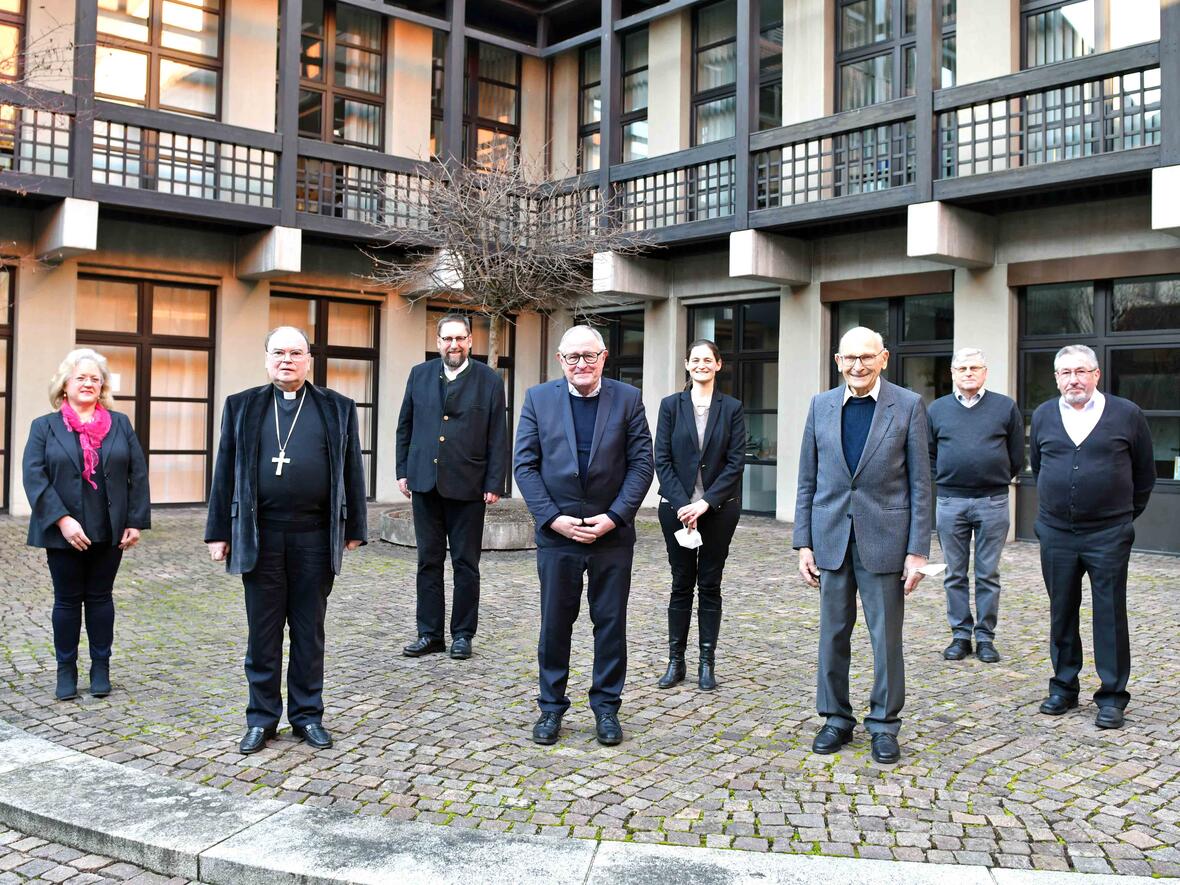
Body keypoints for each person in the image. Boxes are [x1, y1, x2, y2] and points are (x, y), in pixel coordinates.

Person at [205, 326, 368, 755]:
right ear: (266, 358)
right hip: (261, 536)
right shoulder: (241, 407)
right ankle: (261, 719)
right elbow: (225, 471)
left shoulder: (337, 408)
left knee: (309, 631)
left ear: (309, 359)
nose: (287, 360)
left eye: (296, 353)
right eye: (278, 352)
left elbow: (353, 470)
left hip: (314, 537)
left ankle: (307, 716)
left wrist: (355, 528)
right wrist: (218, 530)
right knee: (263, 632)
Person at [794, 326, 931, 765]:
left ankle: (885, 725)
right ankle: (835, 719)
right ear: (838, 361)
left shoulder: (907, 406)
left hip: (886, 541)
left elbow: (921, 486)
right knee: (832, 635)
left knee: (884, 638)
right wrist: (804, 543)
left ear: (883, 358)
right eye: (850, 358)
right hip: (831, 537)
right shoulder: (821, 406)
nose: (858, 365)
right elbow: (808, 481)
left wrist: (917, 550)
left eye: (866, 357)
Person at [513, 325, 653, 746]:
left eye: (589, 356)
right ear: (560, 361)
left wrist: (615, 516)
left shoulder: (627, 399)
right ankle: (551, 708)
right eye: (573, 357)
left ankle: (607, 709)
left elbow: (641, 464)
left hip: (611, 536)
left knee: (609, 624)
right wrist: (552, 518)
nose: (582, 365)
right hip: (558, 535)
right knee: (555, 624)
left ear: (604, 357)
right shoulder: (538, 399)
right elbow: (525, 465)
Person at [1030, 344, 1154, 730]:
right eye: (1066, 373)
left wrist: (1119, 517)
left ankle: (1112, 696)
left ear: (1096, 375)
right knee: (1061, 611)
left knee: (1110, 613)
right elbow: (1039, 466)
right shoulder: (1045, 414)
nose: (1074, 379)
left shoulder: (1127, 414)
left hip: (1108, 533)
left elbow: (1145, 475)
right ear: (1057, 379)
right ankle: (1064, 687)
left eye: (1082, 371)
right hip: (1056, 533)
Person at [23, 348, 150, 702]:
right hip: (63, 530)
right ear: (65, 384)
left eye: (95, 378)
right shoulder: (44, 427)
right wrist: (62, 520)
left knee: (100, 598)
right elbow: (34, 477)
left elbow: (137, 473)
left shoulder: (120, 423)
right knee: (66, 601)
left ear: (103, 386)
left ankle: (100, 667)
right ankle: (66, 670)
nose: (88, 383)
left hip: (109, 528)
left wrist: (135, 521)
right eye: (81, 377)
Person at [395, 314, 508, 660]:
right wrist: (403, 471)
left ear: (470, 341)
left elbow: (498, 435)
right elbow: (406, 425)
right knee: (427, 561)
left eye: (460, 338)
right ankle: (429, 634)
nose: (453, 345)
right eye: (447, 339)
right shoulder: (419, 374)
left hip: (469, 486)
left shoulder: (489, 380)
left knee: (465, 563)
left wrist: (494, 482)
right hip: (424, 484)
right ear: (438, 340)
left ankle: (462, 634)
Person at [653, 339, 745, 691]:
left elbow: (736, 461)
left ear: (718, 365)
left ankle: (707, 662)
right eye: (696, 360)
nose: (702, 364)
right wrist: (682, 505)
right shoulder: (670, 406)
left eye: (708, 359)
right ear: (687, 365)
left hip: (718, 511)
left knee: (710, 584)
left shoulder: (732, 408)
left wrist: (705, 504)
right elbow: (662, 458)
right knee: (680, 584)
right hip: (676, 509)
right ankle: (676, 662)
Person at [927, 347, 1024, 664]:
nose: (968, 373)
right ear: (953, 373)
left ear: (985, 372)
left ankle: (985, 638)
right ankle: (959, 636)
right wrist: (946, 478)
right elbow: (928, 453)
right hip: (950, 502)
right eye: (962, 368)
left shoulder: (1005, 407)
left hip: (992, 502)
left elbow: (1016, 457)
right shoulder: (937, 410)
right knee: (954, 574)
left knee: (987, 575)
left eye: (975, 367)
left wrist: (993, 478)